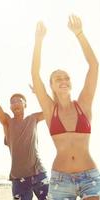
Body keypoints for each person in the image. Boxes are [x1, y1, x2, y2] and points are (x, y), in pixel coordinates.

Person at [31, 15, 100, 199]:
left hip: (89, 177)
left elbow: (94, 66)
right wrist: (38, 41)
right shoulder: (49, 109)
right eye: (58, 79)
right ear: (51, 86)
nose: (63, 81)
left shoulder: (83, 104)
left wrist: (79, 34)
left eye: (66, 77)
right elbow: (35, 74)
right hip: (60, 179)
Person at [0, 63, 49, 200]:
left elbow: (51, 109)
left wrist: (40, 93)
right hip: (18, 177)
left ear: (25, 104)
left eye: (19, 100)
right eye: (12, 102)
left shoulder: (33, 118)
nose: (16, 103)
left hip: (38, 173)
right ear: (10, 107)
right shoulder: (7, 122)